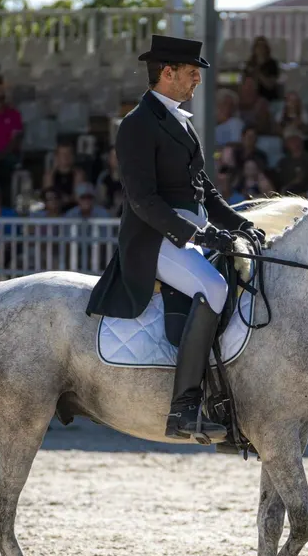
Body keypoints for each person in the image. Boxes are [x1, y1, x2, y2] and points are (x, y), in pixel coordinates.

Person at [85, 35, 264, 443]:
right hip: (153, 240)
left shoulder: (180, 121)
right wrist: (197, 233)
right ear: (167, 72)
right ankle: (184, 407)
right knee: (214, 288)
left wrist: (241, 224)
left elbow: (205, 191)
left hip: (188, 236)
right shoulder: (137, 124)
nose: (197, 80)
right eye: (191, 73)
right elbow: (142, 200)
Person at [42, 140, 84, 212]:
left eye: (68, 154)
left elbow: (78, 197)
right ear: (57, 157)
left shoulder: (78, 174)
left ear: (73, 156)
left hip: (73, 211)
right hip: (53, 211)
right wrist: (53, 170)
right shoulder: (49, 175)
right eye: (62, 154)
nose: (65, 157)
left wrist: (67, 199)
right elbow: (48, 196)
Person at [277, 127, 308, 195]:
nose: (295, 143)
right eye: (291, 140)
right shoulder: (283, 162)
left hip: (306, 193)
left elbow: (304, 179)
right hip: (287, 193)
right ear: (286, 144)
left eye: (297, 139)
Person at [244, 36, 281, 102]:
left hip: (269, 99)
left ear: (267, 49)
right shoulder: (249, 64)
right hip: (253, 100)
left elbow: (270, 85)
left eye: (262, 47)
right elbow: (245, 82)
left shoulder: (272, 64)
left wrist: (258, 73)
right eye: (258, 46)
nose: (260, 49)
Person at [96, 146, 124, 216]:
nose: (116, 160)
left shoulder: (127, 178)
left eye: (118, 156)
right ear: (109, 159)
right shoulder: (103, 177)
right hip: (107, 215)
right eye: (113, 157)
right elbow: (100, 200)